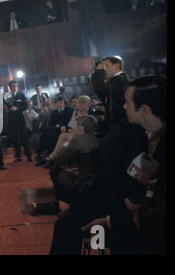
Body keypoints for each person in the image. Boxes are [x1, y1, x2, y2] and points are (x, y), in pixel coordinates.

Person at [49, 75, 166, 255]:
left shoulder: (147, 138)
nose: (123, 106)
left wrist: (111, 221)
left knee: (67, 226)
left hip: (146, 221)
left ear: (144, 110)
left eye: (127, 102)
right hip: (127, 207)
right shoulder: (142, 135)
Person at [91, 56, 129, 131]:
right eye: (103, 66)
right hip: (116, 123)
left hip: (121, 123)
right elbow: (104, 95)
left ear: (117, 66)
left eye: (106, 66)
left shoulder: (120, 79)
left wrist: (100, 71)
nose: (104, 69)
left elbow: (101, 89)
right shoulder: (113, 81)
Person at [4, 80, 32, 163]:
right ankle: (18, 156)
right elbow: (6, 108)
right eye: (13, 85)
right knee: (15, 139)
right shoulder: (6, 96)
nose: (15, 87)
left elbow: (25, 106)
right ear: (10, 87)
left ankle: (28, 156)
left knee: (24, 138)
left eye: (16, 85)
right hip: (12, 121)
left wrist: (17, 108)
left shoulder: (21, 95)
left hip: (20, 120)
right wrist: (7, 110)